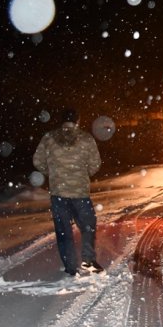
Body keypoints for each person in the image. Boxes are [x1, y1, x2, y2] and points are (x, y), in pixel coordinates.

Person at [33, 108, 104, 276]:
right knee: (88, 226)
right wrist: (82, 173)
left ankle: (71, 267)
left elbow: (37, 161)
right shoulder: (86, 139)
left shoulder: (49, 138)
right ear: (77, 121)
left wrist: (52, 173)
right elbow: (95, 165)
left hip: (58, 194)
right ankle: (88, 260)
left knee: (63, 231)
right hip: (80, 193)